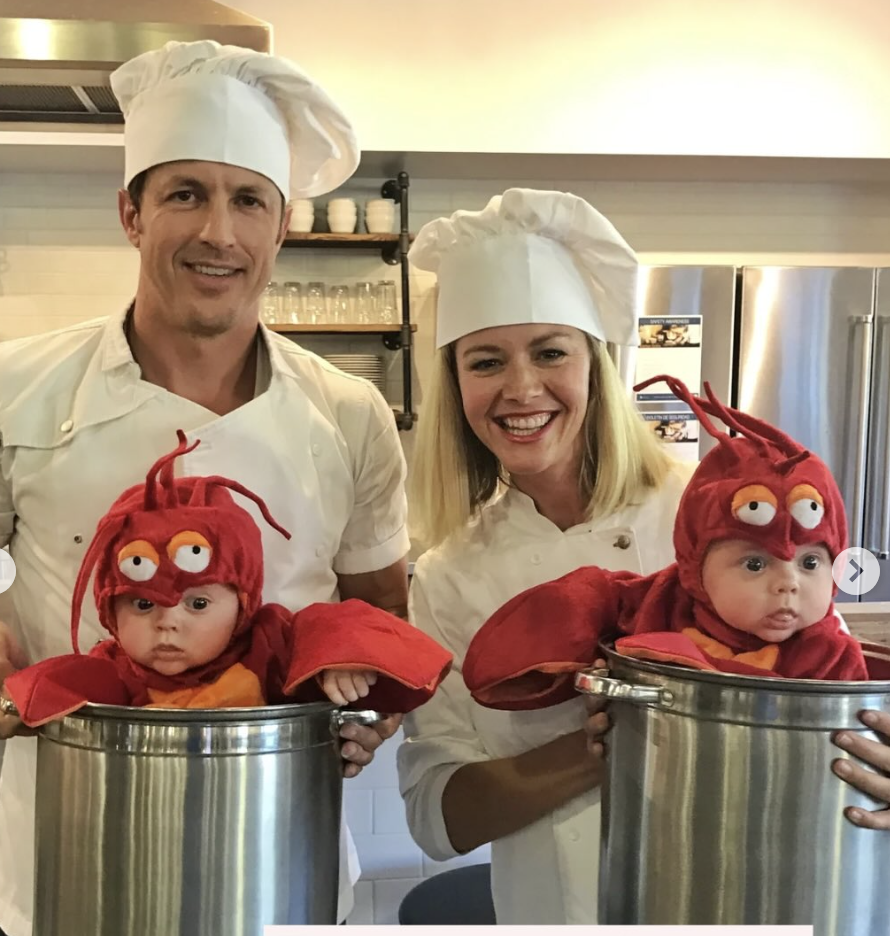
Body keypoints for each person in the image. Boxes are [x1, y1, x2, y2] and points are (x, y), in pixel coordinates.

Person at [0, 39, 407, 934]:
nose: (219, 232)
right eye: (185, 193)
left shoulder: (348, 415)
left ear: (282, 223)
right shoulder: (14, 389)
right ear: (130, 213)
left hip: (279, 844)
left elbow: (381, 613)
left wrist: (372, 711)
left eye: (248, 200)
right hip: (67, 837)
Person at [397, 187, 890, 926]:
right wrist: (602, 744)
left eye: (550, 352)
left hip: (739, 901)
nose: (520, 387)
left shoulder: (710, 519)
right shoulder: (448, 574)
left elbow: (834, 685)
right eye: (486, 360)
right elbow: (438, 820)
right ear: (456, 384)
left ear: (596, 365)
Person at [463, 373, 868, 712]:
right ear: (695, 571)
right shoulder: (665, 601)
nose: (789, 583)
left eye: (811, 563)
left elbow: (855, 736)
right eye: (755, 564)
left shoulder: (830, 653)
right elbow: (592, 601)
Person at [3, 432, 452, 725]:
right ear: (108, 610)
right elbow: (64, 683)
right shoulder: (115, 670)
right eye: (143, 604)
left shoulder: (266, 648)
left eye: (197, 604)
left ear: (242, 607)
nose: (167, 623)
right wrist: (20, 702)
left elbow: (334, 626)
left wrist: (344, 662)